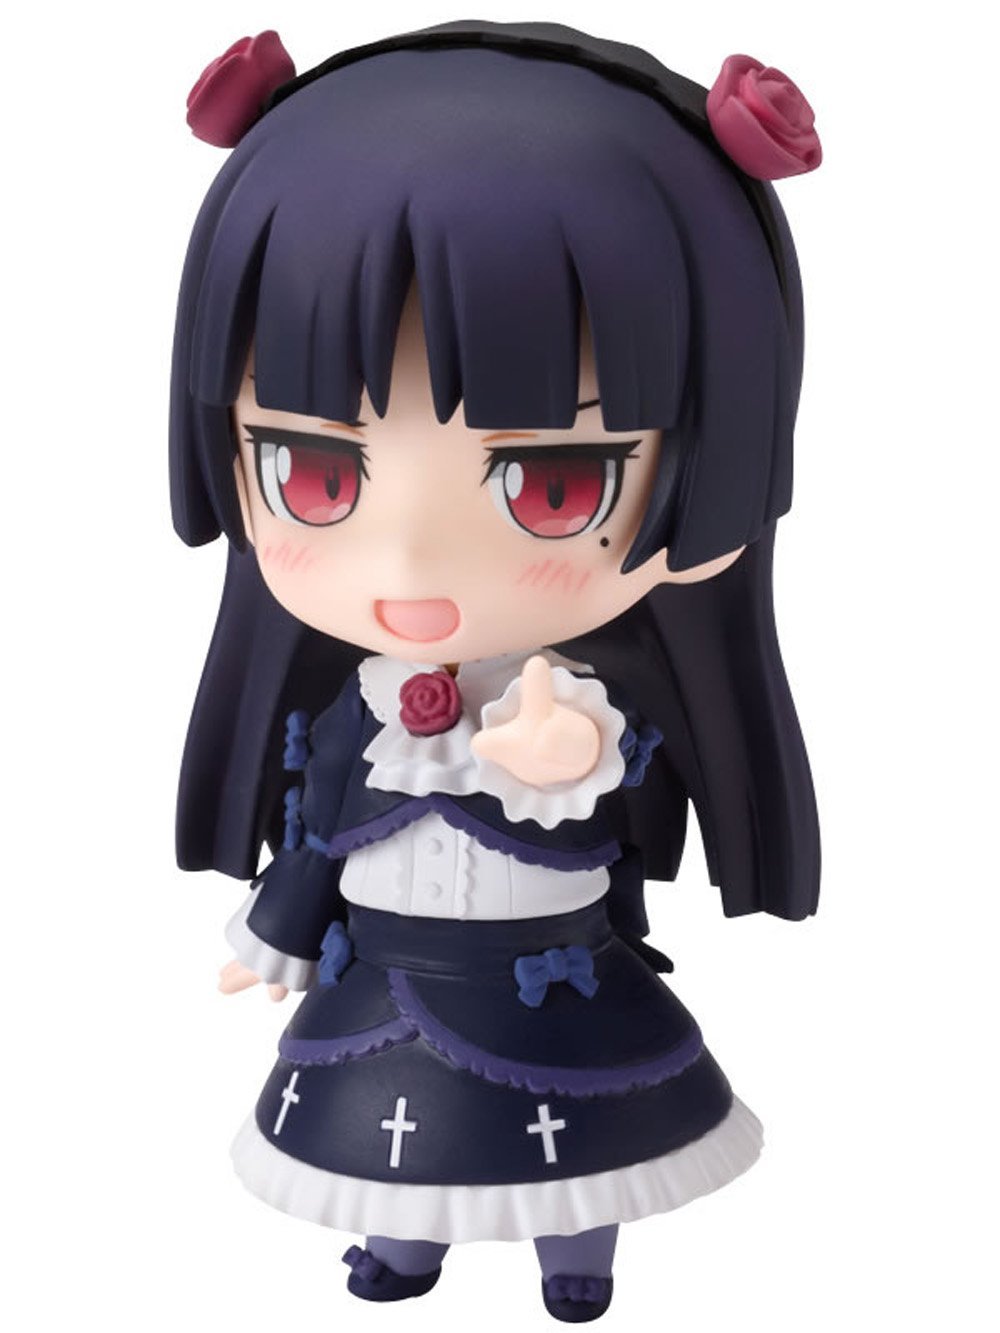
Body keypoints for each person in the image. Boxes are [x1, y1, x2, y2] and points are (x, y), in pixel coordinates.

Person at [171, 20, 822, 1323]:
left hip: (549, 981)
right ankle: (406, 1250)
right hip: (385, 981)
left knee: (582, 1146)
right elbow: (321, 830)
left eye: (553, 485)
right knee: (389, 1147)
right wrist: (278, 928)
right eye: (315, 473)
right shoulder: (354, 713)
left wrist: (559, 759)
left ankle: (578, 1262)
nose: (410, 566)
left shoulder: (572, 702)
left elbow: (596, 781)